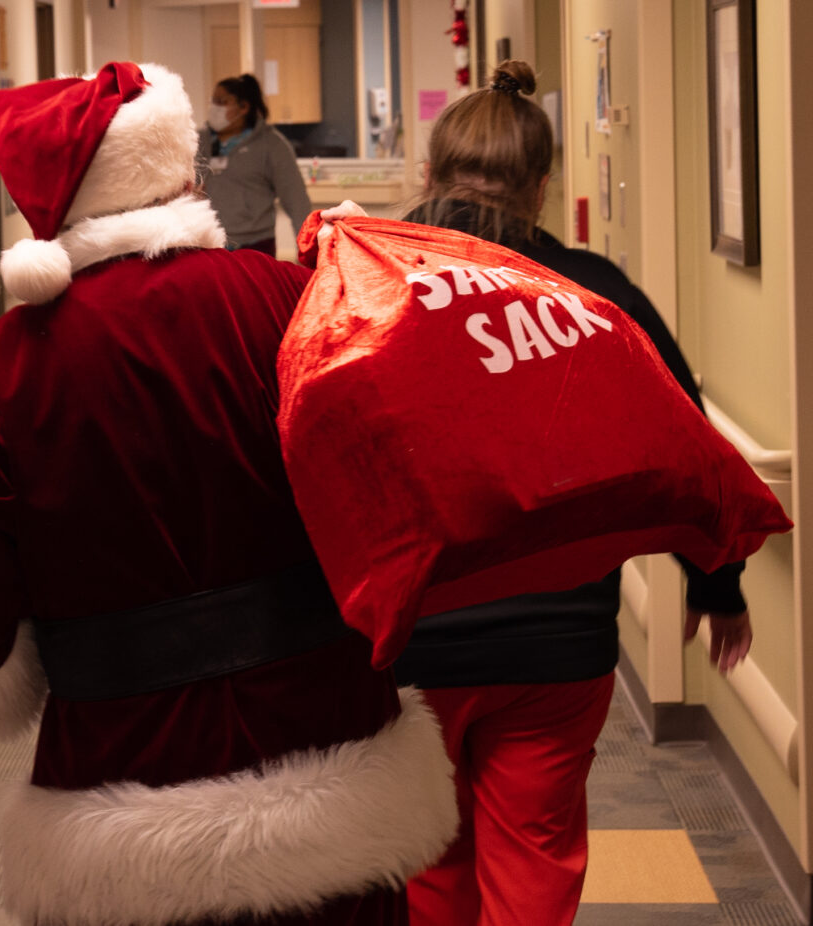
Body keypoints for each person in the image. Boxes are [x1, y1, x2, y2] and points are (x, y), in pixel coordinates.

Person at [0, 61, 458, 926]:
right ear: (179, 169)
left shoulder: (5, 367)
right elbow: (402, 479)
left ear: (49, 208)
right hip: (332, 754)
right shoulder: (289, 302)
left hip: (121, 789)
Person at [322, 59, 752, 926]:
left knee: (430, 866)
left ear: (428, 175)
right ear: (543, 188)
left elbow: (312, 440)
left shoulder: (360, 291)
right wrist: (717, 584)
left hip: (413, 645)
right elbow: (678, 440)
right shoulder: (596, 294)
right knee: (536, 863)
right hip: (560, 643)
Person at [198, 73, 312, 256]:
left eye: (222, 102)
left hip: (255, 245)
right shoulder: (199, 140)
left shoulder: (271, 144)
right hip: (208, 242)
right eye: (213, 101)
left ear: (244, 107)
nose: (214, 108)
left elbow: (296, 201)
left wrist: (308, 251)